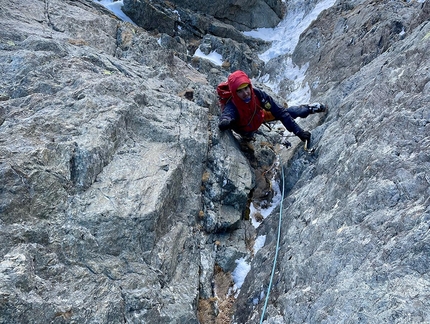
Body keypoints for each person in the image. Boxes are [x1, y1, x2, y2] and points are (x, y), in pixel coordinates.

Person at [218, 70, 326, 144]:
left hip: (259, 117)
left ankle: (309, 109)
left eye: (246, 88)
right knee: (285, 113)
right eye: (240, 91)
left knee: (287, 112)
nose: (245, 93)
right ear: (234, 93)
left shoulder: (257, 94)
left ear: (250, 86)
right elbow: (227, 115)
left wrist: (299, 132)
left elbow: (280, 112)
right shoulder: (233, 105)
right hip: (247, 128)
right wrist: (225, 121)